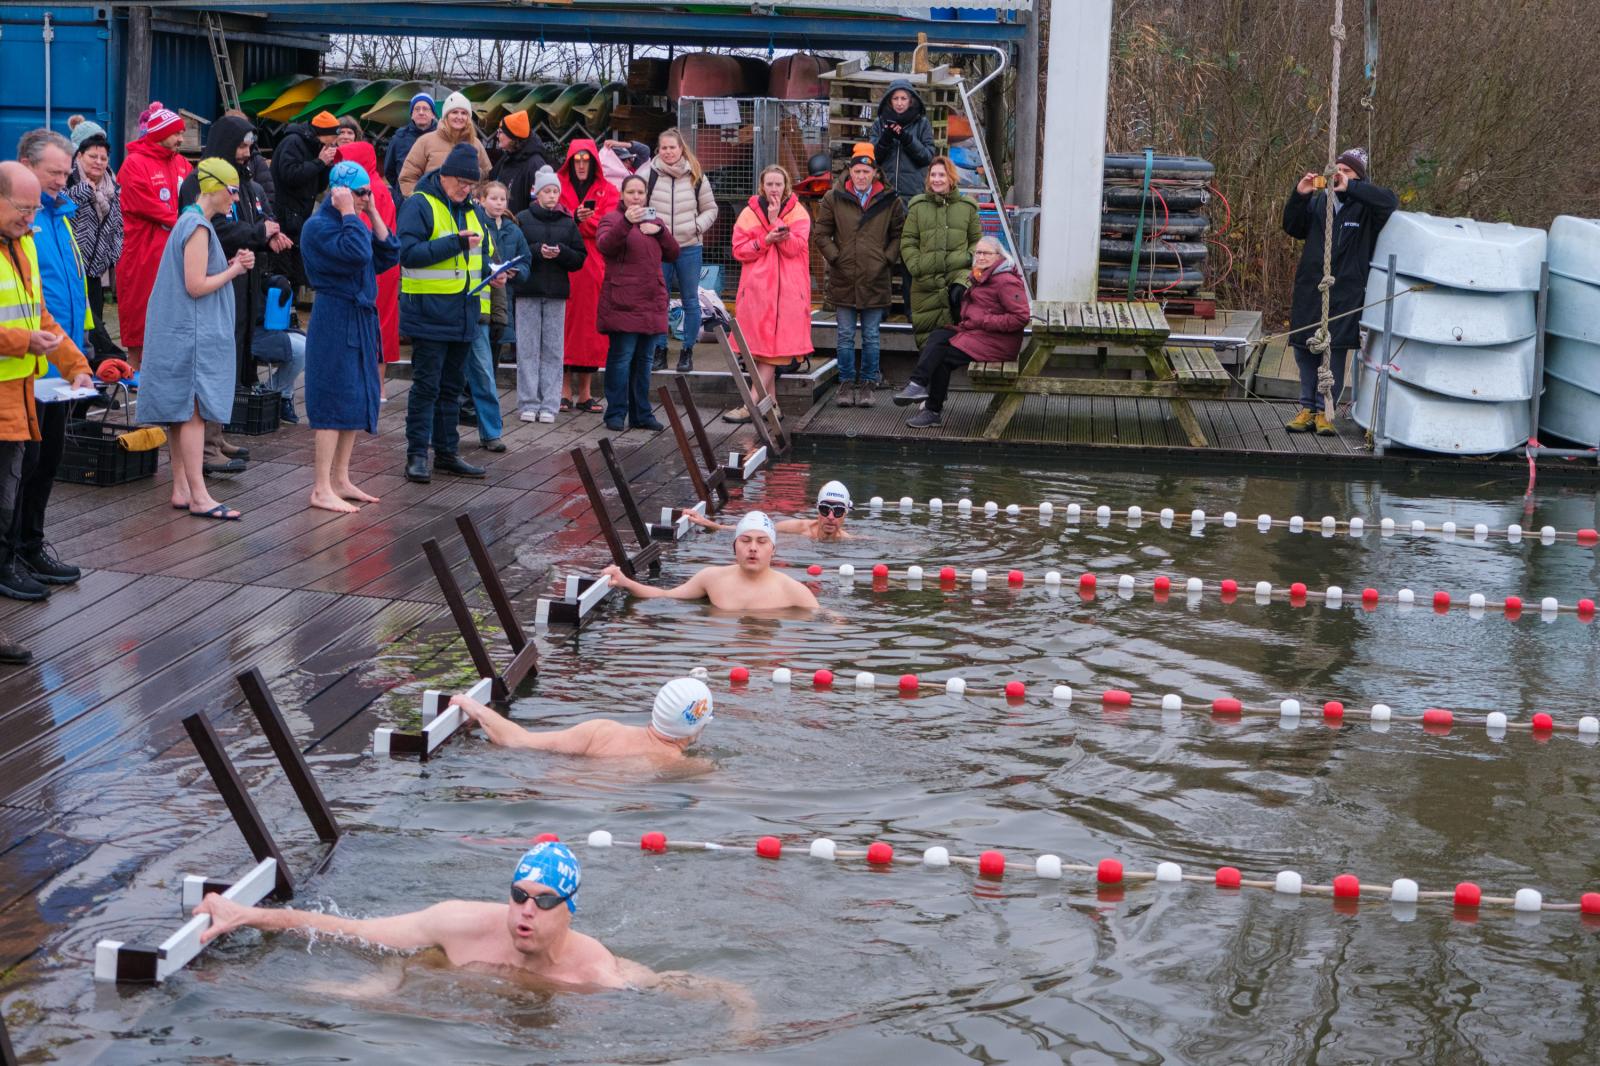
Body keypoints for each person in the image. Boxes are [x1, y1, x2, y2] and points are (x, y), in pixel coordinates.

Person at [193, 841, 757, 1023]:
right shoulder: (458, 923)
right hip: (438, 978)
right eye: (518, 895)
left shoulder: (597, 975)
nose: (526, 910)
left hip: (536, 1025)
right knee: (372, 990)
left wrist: (743, 1018)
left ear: (569, 910)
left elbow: (694, 988)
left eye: (544, 901)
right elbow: (349, 930)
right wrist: (247, 915)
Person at [0, 161, 95, 619]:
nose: (31, 218)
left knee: (24, 475)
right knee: (6, 483)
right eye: (23, 208)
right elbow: (25, 327)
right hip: (9, 389)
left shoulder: (22, 243)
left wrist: (77, 364)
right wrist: (22, 341)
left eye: (35, 209)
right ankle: (6, 565)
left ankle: (18, 556)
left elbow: (39, 315)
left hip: (23, 390)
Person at [136, 159, 253, 521]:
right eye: (233, 191)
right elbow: (196, 285)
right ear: (215, 188)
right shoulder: (198, 227)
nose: (236, 198)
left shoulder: (187, 221)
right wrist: (235, 270)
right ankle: (200, 496)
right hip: (192, 335)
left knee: (179, 412)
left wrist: (227, 265)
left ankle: (182, 489)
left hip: (180, 330)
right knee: (193, 413)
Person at [179, 114, 288, 472]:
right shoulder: (199, 182)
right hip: (215, 278)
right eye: (241, 146)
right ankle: (206, 445)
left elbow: (254, 221)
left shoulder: (245, 181)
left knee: (231, 357)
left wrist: (267, 236)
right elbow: (219, 229)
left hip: (241, 280)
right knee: (212, 361)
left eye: (248, 146)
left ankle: (217, 432)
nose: (246, 153)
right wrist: (258, 234)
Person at [397, 142, 507, 484]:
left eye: (471, 184)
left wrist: (494, 272)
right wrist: (455, 242)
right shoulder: (419, 203)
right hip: (428, 314)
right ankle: (417, 455)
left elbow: (481, 255)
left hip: (464, 315)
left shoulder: (472, 210)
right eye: (461, 182)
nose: (466, 189)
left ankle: (446, 453)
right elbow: (408, 254)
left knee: (452, 389)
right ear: (444, 175)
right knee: (426, 388)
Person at [300, 161, 400, 514]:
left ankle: (340, 479)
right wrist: (348, 212)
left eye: (367, 192)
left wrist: (371, 212)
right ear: (338, 191)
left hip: (357, 319)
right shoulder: (318, 227)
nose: (364, 198)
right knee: (332, 400)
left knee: (354, 396)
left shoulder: (352, 222)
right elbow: (357, 254)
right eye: (359, 193)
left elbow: (389, 253)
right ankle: (320, 487)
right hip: (334, 317)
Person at [1282, 147, 1398, 435]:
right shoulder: (1319, 203)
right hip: (1311, 285)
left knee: (1333, 348)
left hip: (1345, 288)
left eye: (1346, 171)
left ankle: (1325, 410)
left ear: (1358, 177)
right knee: (1304, 346)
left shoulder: (1366, 208)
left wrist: (1352, 188)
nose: (1339, 175)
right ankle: (1307, 407)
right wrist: (1300, 194)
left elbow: (1390, 202)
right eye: (1337, 170)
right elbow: (1293, 227)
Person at [893, 236, 1029, 429]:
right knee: (938, 335)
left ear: (999, 256)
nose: (981, 257)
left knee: (942, 357)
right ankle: (917, 385)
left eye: (986, 253)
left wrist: (983, 321)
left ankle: (931, 409)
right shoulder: (982, 276)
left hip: (998, 343)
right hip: (980, 335)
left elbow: (1021, 317)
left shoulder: (1005, 281)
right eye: (978, 252)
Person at [812, 143, 905, 408]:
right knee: (844, 335)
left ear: (875, 172)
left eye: (866, 171)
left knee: (871, 335)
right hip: (844, 277)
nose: (861, 176)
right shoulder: (834, 197)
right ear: (850, 171)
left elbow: (899, 234)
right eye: (857, 171)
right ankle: (845, 383)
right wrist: (837, 258)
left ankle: (867, 384)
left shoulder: (890, 200)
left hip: (875, 277)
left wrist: (885, 260)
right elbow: (821, 234)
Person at [724, 166, 811, 425]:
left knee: (775, 351)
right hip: (757, 292)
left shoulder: (798, 212)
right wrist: (765, 240)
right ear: (762, 186)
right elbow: (739, 250)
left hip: (788, 294)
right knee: (762, 351)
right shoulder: (749, 213)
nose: (774, 189)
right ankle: (772, 405)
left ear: (786, 186)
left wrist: (776, 224)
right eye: (770, 184)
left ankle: (751, 404)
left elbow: (795, 248)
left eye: (778, 184)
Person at [453, 676, 713, 762]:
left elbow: (517, 741)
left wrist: (474, 707)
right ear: (700, 726)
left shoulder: (600, 731)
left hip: (542, 782)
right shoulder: (683, 767)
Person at [602, 511, 819, 610]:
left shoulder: (793, 590)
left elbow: (824, 618)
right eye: (745, 540)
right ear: (734, 547)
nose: (753, 547)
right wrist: (625, 582)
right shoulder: (712, 578)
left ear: (773, 550)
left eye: (762, 542)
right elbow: (664, 595)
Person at [596, 174, 677, 433]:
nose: (636, 197)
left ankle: (641, 414)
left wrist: (660, 232)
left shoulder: (655, 221)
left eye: (640, 192)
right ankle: (615, 413)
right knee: (621, 359)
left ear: (646, 196)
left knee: (644, 361)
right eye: (631, 192)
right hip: (623, 302)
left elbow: (673, 253)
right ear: (622, 195)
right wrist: (626, 224)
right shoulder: (612, 219)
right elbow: (605, 246)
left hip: (651, 302)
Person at [637, 129, 717, 373]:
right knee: (658, 300)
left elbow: (711, 209)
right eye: (664, 148)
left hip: (689, 246)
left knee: (690, 300)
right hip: (658, 248)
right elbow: (635, 204)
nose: (668, 152)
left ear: (681, 149)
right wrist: (646, 228)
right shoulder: (648, 175)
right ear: (658, 150)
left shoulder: (696, 176)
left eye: (672, 147)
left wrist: (696, 226)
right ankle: (660, 350)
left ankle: (687, 351)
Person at [117, 104, 191, 369]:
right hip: (143, 251)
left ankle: (165, 370)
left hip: (175, 250)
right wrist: (187, 222)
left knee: (172, 311)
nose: (181, 139)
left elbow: (194, 197)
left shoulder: (181, 164)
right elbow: (146, 204)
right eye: (176, 133)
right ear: (160, 133)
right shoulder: (134, 164)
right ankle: (136, 369)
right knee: (140, 310)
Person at [460, 180, 529, 453]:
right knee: (445, 378)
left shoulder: (484, 226)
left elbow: (496, 269)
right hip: (447, 312)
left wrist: (500, 316)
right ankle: (438, 433)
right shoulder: (448, 219)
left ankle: (491, 432)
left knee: (484, 375)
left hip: (479, 315)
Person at [513, 167, 586, 425]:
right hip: (528, 291)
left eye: (555, 191)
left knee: (554, 350)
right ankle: (528, 402)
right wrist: (536, 251)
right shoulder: (522, 218)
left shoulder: (567, 222)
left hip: (556, 292)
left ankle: (549, 404)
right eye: (547, 191)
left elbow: (579, 258)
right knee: (527, 349)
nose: (552, 195)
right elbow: (515, 251)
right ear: (537, 193)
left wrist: (562, 252)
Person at [556, 140, 618, 413]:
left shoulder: (609, 190)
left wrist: (579, 221)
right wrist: (576, 219)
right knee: (563, 328)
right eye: (577, 160)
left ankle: (585, 393)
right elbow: (552, 219)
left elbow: (609, 225)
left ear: (593, 162)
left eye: (586, 160)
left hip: (593, 268)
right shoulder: (557, 186)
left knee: (590, 331)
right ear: (570, 162)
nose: (581, 165)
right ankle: (563, 390)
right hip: (565, 265)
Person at [338, 141, 401, 389]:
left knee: (376, 325)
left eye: (347, 161)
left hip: (375, 267)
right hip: (381, 264)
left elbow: (361, 230)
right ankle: (376, 386)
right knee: (381, 324)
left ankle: (376, 387)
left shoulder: (368, 190)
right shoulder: (374, 186)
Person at [901, 155, 980, 349]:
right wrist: (916, 265)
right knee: (929, 344)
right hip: (926, 281)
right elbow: (908, 241)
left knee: (956, 337)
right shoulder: (917, 208)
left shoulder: (967, 208)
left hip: (956, 274)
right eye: (933, 175)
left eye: (942, 175)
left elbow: (977, 242)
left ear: (951, 178)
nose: (937, 179)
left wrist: (966, 258)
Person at [65, 124, 124, 362]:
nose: (98, 162)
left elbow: (118, 223)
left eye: (103, 158)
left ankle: (94, 369)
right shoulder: (68, 180)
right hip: (72, 267)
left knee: (95, 318)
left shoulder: (111, 185)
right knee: (84, 323)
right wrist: (81, 190)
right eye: (92, 156)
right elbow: (58, 208)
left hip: (96, 269)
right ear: (79, 156)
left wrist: (113, 253)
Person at [270, 111, 340, 292]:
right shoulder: (293, 142)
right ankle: (281, 308)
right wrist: (319, 162)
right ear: (321, 134)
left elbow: (317, 186)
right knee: (283, 271)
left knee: (297, 273)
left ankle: (292, 305)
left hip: (300, 217)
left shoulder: (317, 146)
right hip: (284, 216)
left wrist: (326, 166)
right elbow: (289, 175)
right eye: (332, 138)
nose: (334, 143)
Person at [686, 479, 857, 543]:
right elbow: (756, 529)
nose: (831, 517)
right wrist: (709, 524)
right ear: (817, 509)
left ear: (846, 513)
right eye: (825, 509)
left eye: (838, 511)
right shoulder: (798, 528)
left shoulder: (848, 541)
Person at [398, 92, 492, 198]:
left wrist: (478, 197)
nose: (459, 117)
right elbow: (407, 178)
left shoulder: (476, 144)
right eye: (454, 112)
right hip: (433, 205)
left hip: (466, 206)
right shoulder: (425, 141)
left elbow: (488, 178)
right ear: (446, 115)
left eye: (464, 113)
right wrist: (419, 201)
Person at [868, 80, 936, 205]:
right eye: (895, 98)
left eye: (903, 98)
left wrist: (907, 139)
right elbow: (871, 159)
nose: (899, 103)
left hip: (913, 193)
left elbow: (927, 157)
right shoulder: (879, 123)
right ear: (890, 101)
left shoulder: (922, 123)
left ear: (910, 101)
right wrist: (885, 140)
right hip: (884, 191)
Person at [488, 109, 549, 215]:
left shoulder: (535, 165)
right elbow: (490, 181)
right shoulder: (508, 157)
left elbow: (540, 205)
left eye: (500, 132)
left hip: (520, 224)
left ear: (512, 136)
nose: (497, 136)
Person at [383, 93, 436, 198]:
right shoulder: (399, 139)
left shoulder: (442, 137)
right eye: (417, 109)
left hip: (435, 198)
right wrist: (401, 189)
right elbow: (389, 171)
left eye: (425, 109)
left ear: (433, 115)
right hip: (405, 199)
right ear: (411, 114)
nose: (421, 112)